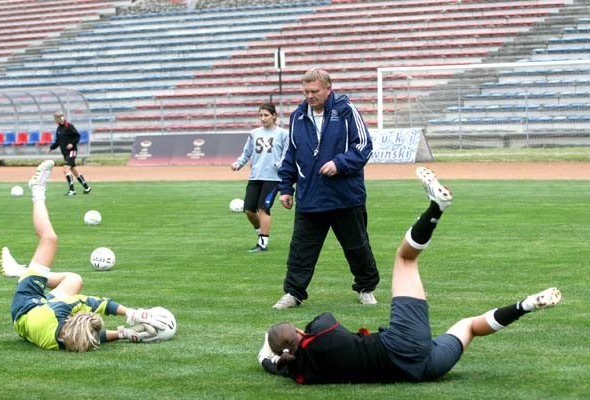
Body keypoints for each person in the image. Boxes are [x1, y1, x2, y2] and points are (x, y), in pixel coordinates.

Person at [258, 167, 562, 384]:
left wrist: (268, 357)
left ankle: (525, 306)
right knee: (405, 258)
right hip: (400, 343)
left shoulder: (301, 373)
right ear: (299, 334)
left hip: (423, 370)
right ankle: (436, 208)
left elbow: (275, 365)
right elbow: (319, 327)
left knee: (469, 326)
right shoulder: (320, 332)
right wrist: (270, 348)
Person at [0, 160, 167, 352]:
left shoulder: (59, 310)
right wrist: (126, 334)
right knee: (74, 279)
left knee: (49, 238)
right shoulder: (64, 340)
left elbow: (95, 303)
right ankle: (21, 271)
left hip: (27, 303)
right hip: (28, 322)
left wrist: (134, 314)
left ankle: (37, 190)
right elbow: (88, 338)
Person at [273, 68, 379, 309]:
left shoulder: (346, 111)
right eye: (305, 91)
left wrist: (339, 164)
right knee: (300, 250)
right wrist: (286, 187)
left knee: (357, 247)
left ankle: (366, 288)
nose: (309, 96)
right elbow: (291, 153)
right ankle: (293, 293)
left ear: (328, 89)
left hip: (346, 196)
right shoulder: (297, 116)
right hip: (310, 196)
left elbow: (364, 146)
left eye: (314, 91)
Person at [231, 102, 288, 252]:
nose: (263, 118)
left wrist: (279, 164)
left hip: (273, 178)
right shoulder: (254, 133)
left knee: (263, 209)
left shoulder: (283, 134)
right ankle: (260, 230)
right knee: (249, 210)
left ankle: (263, 243)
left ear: (274, 116)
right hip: (255, 176)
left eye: (266, 115)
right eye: (261, 115)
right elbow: (247, 153)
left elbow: (287, 154)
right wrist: (238, 163)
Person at [47, 111, 92, 196]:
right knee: (73, 170)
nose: (55, 120)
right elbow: (58, 141)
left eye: (56, 118)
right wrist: (51, 148)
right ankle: (86, 187)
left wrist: (72, 143)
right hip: (65, 153)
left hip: (72, 151)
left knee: (65, 169)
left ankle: (72, 190)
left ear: (60, 118)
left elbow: (77, 136)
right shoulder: (59, 128)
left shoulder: (69, 126)